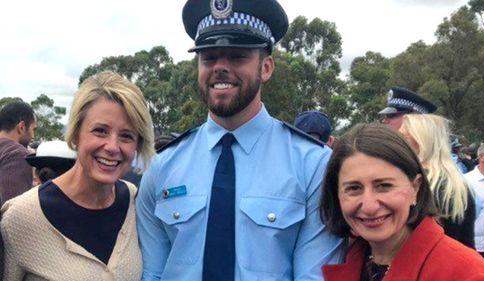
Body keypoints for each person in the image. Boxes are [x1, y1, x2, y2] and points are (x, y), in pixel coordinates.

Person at [135, 0, 344, 280]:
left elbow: (315, 276)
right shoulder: (163, 166)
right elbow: (152, 273)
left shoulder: (313, 164)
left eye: (237, 56)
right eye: (209, 57)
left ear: (266, 67)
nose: (220, 67)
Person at [1, 71, 155, 280]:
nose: (112, 147)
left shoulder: (135, 202)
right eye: (100, 131)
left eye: (126, 136)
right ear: (75, 134)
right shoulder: (20, 218)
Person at [320, 123, 484, 281]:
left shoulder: (464, 273)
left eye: (384, 186)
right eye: (353, 188)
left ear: (416, 187)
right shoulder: (345, 259)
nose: (369, 206)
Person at [399, 114, 476, 248]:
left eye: (403, 137)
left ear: (420, 141)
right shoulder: (458, 184)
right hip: (455, 260)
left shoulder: (419, 182)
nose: (397, 142)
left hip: (422, 262)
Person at [0, 101, 38, 205]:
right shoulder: (17, 154)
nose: (33, 136)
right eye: (33, 129)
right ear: (21, 127)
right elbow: (12, 209)